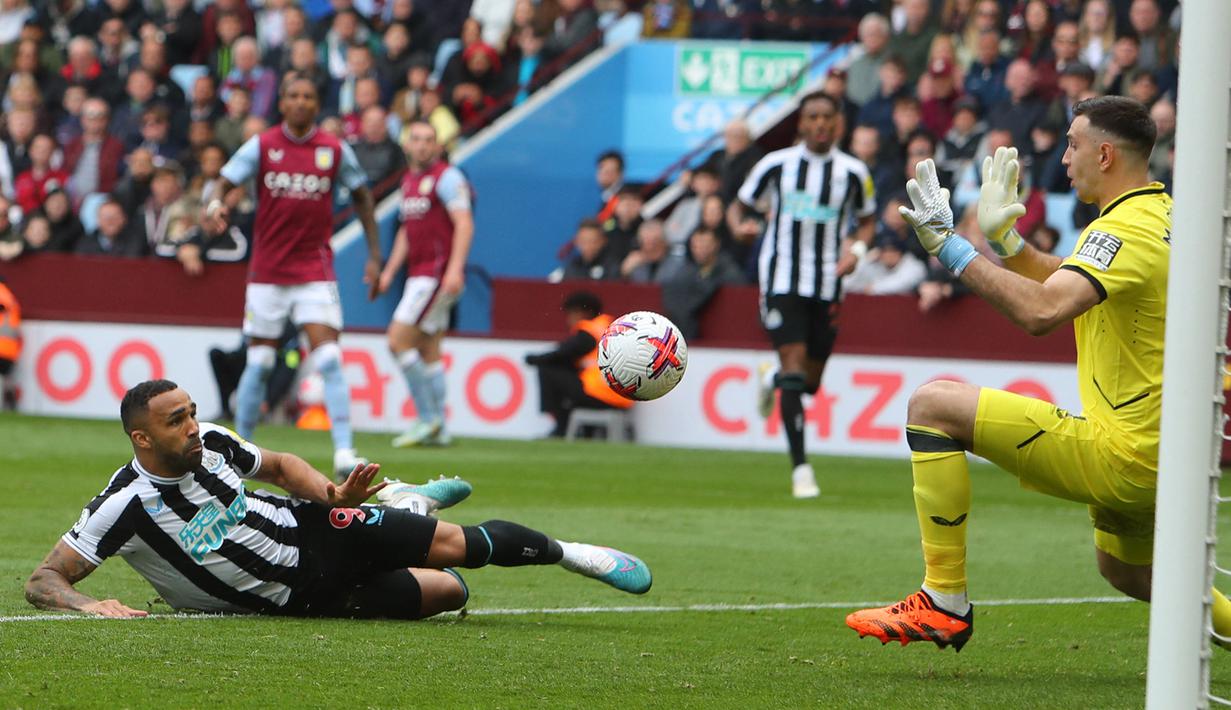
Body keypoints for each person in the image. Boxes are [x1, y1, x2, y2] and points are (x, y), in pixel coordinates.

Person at [844, 96, 1231, 653]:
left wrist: (949, 248)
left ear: (1103, 154)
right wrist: (1005, 244)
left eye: (1073, 145)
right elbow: (1068, 284)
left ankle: (943, 599)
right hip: (1165, 453)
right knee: (1126, 573)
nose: (1064, 158)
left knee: (933, 404)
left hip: (1123, 452)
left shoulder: (1125, 230)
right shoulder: (1156, 215)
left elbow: (1042, 312)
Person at [23, 380, 651, 619]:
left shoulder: (212, 441)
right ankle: (407, 505)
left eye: (190, 413)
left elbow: (280, 464)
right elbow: (44, 577)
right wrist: (86, 603)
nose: (192, 426)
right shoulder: (125, 503)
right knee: (450, 591)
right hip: (305, 598)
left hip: (319, 529)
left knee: (459, 547)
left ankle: (572, 554)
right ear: (142, 437)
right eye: (175, 421)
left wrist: (331, 494)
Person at [201, 73, 383, 480]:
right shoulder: (263, 146)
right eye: (294, 95)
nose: (301, 102)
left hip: (314, 270)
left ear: (316, 105)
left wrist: (374, 256)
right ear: (281, 103)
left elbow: (362, 197)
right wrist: (214, 205)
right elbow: (224, 180)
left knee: (331, 359)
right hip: (267, 272)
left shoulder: (333, 150)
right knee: (261, 361)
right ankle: (241, 449)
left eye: (308, 96)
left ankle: (344, 452)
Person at [728, 91, 877, 499]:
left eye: (827, 117)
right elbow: (737, 208)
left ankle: (771, 378)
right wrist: (740, 227)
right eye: (812, 116)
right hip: (781, 279)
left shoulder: (852, 172)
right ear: (801, 123)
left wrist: (857, 252)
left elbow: (867, 221)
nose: (820, 124)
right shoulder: (775, 165)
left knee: (807, 383)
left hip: (828, 282)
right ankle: (801, 471)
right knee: (794, 367)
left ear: (838, 123)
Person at [376, 120, 473, 449]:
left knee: (397, 341)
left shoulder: (447, 177)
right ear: (406, 144)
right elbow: (406, 229)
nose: (422, 145)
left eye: (429, 140)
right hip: (418, 274)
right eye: (416, 139)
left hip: (436, 273)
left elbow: (464, 223)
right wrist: (390, 271)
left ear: (437, 145)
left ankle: (426, 418)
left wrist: (455, 269)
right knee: (430, 349)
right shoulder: (409, 181)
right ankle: (441, 428)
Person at [523, 292, 633, 438]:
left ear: (585, 312)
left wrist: (534, 359)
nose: (569, 319)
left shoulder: (590, 331)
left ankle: (561, 428)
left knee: (547, 369)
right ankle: (584, 431)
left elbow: (562, 353)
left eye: (571, 313)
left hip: (600, 393)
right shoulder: (611, 326)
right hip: (624, 397)